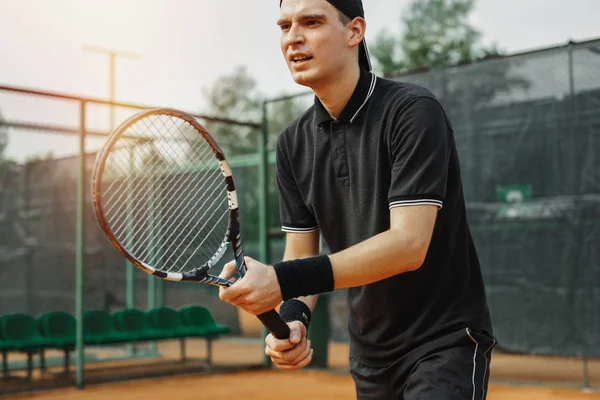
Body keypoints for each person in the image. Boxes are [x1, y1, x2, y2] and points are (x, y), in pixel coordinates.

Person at [219, 0, 496, 398]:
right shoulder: (292, 143)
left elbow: (408, 245)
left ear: (355, 32)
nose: (293, 37)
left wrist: (280, 281)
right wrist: (294, 316)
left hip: (443, 342)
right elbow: (300, 249)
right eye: (284, 26)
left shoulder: (413, 112)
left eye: (311, 22)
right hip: (369, 355)